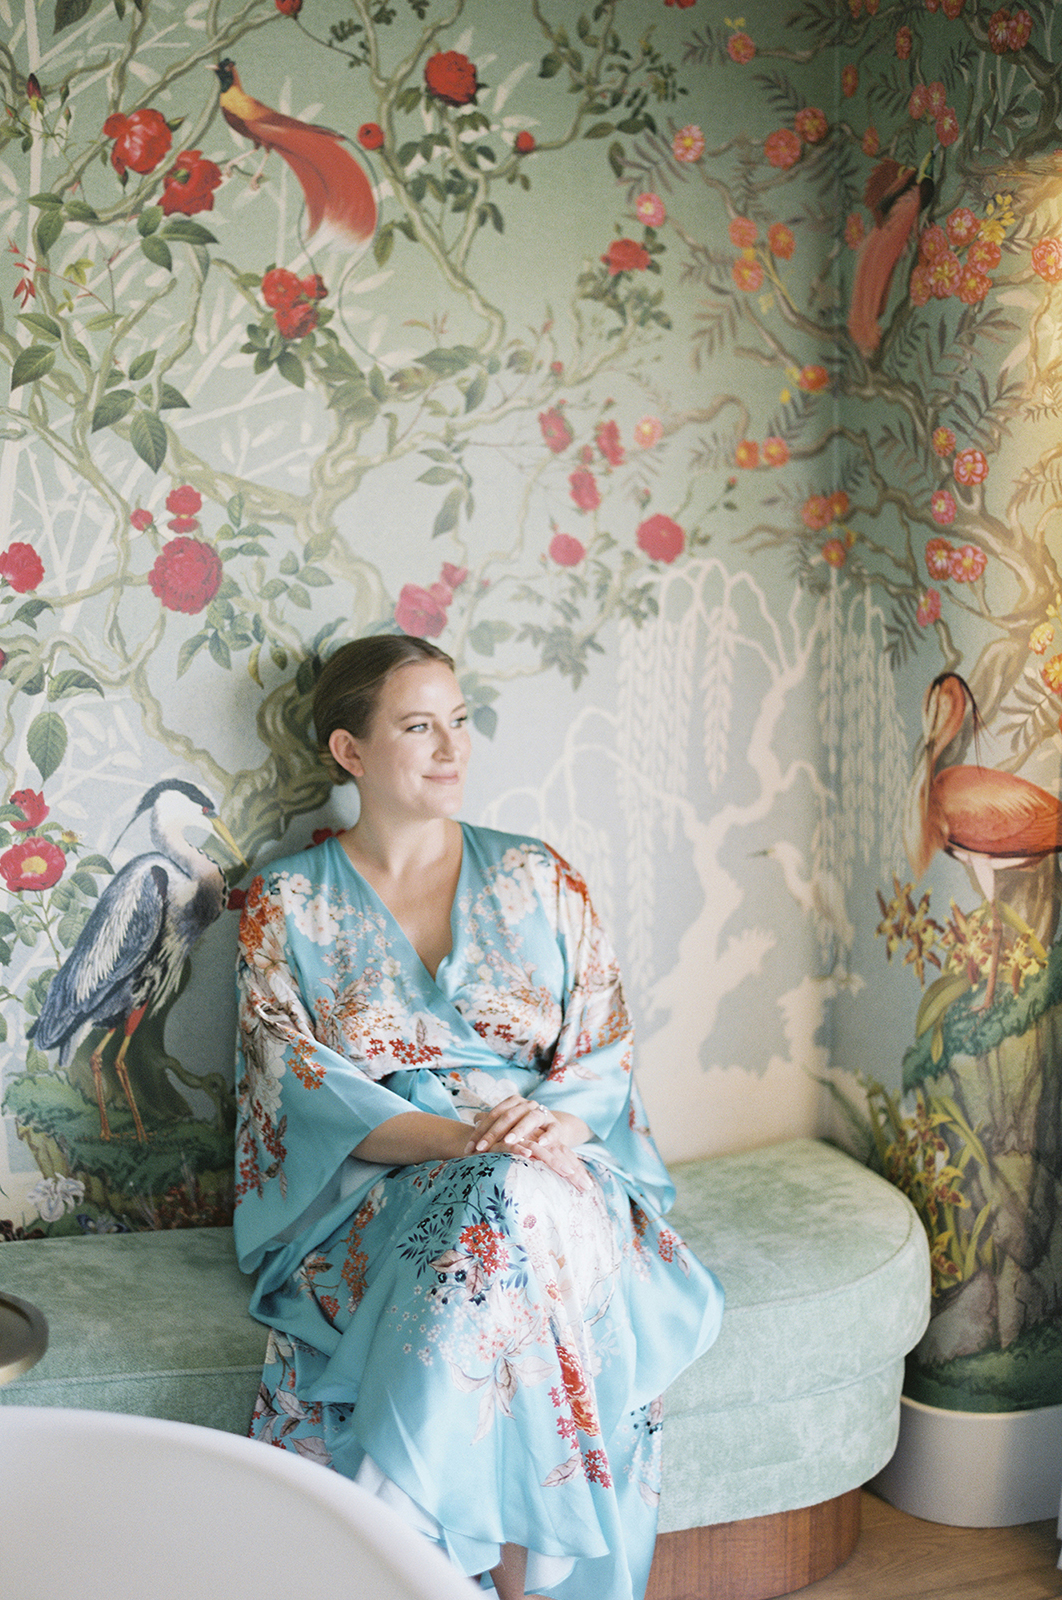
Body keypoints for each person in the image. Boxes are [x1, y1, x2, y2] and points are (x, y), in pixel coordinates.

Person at [234, 635, 723, 1600]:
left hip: (556, 1176)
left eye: (459, 720)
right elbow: (292, 1087)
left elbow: (604, 1051)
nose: (451, 747)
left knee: (517, 1198)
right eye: (418, 726)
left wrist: (550, 1132)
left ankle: (395, 1526)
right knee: (503, 1199)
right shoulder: (285, 901)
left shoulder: (538, 876)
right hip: (383, 1191)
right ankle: (527, 1574)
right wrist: (468, 1144)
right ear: (349, 751)